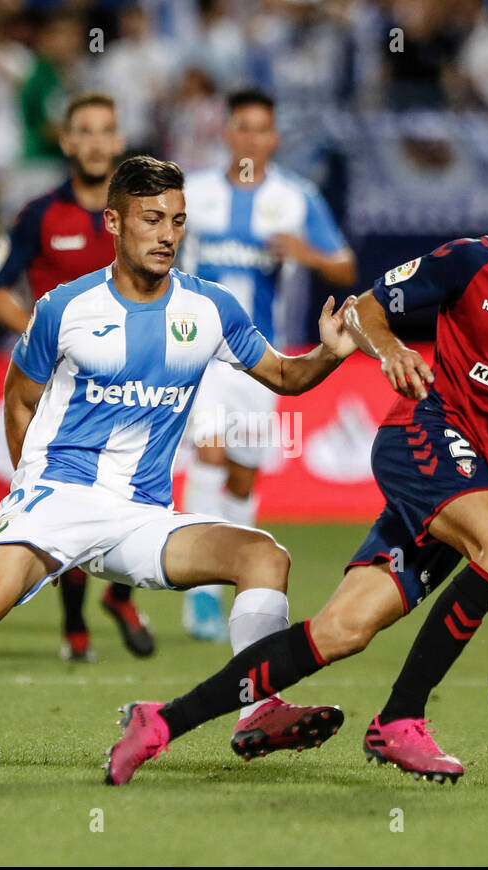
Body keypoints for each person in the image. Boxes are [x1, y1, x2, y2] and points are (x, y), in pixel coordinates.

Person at [104, 142, 488, 786]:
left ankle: (160, 722)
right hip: (423, 437)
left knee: (342, 630)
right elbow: (366, 308)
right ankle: (401, 720)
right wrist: (389, 352)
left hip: (472, 481)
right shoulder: (475, 264)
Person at [0, 156, 359, 777]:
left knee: (265, 556)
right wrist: (27, 494)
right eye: (151, 219)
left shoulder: (211, 308)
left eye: (177, 221)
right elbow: (19, 401)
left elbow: (286, 376)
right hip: (57, 500)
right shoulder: (64, 309)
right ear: (115, 222)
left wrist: (331, 352)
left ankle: (257, 709)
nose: (166, 235)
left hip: (140, 517)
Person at [0, 92, 153, 662]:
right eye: (86, 130)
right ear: (67, 142)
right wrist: (42, 329)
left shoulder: (140, 212)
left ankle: (121, 597)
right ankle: (76, 626)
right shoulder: (38, 215)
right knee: (68, 494)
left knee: (137, 489)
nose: (98, 141)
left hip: (133, 377)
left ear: (119, 140)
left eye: (108, 129)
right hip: (59, 383)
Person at [179, 88, 355, 641]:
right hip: (198, 351)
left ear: (274, 138)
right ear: (227, 133)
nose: (252, 138)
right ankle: (200, 597)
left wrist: (309, 255)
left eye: (262, 129)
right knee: (209, 455)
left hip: (261, 359)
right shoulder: (194, 191)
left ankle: (236, 574)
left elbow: (346, 267)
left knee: (242, 471)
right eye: (243, 127)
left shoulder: (296, 198)